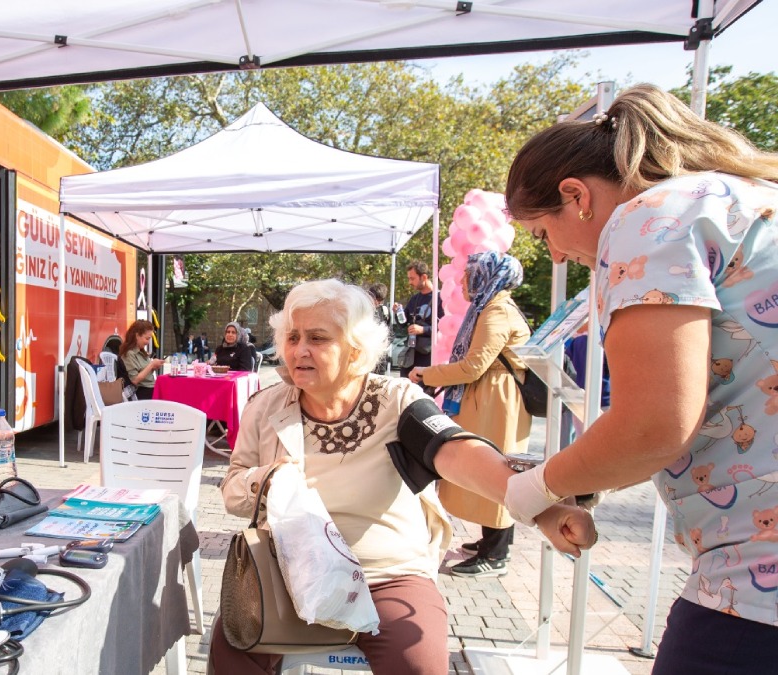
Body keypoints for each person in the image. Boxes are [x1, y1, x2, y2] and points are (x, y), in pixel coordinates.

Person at [501, 84, 778, 674]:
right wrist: (588, 474)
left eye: (541, 233)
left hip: (756, 586)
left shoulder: (646, 218)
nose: (552, 257)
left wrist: (537, 486)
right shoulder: (750, 202)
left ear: (575, 196)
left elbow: (652, 424)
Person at [211, 279, 595, 675]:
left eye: (318, 338)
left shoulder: (397, 400)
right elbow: (232, 489)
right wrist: (267, 480)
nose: (299, 350)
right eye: (292, 337)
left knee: (418, 665)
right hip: (290, 574)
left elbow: (455, 450)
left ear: (355, 351)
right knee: (232, 643)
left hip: (387, 577)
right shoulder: (266, 406)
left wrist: (541, 507)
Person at [409, 251, 531, 577]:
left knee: (496, 469)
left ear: (484, 276)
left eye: (468, 275)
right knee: (486, 469)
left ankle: (496, 553)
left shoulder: (496, 311)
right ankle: (490, 540)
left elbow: (473, 366)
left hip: (496, 404)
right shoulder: (490, 307)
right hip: (489, 401)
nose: (462, 281)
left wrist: (427, 375)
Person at [396, 260, 443, 381]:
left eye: (412, 278)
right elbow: (403, 324)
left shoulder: (440, 299)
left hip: (429, 356)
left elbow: (444, 329)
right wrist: (398, 313)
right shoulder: (414, 299)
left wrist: (423, 330)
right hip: (411, 354)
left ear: (424, 277)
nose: (410, 282)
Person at [119, 319, 163, 400]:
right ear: (137, 335)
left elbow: (144, 371)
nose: (148, 342)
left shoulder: (141, 352)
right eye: (147, 338)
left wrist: (154, 366)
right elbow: (135, 380)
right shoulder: (129, 354)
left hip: (151, 387)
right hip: (142, 391)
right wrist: (151, 365)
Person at [368, 283, 392, 375]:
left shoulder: (384, 311)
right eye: (374, 299)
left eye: (380, 300)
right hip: (365, 356)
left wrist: (383, 345)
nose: (376, 302)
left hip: (379, 358)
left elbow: (390, 333)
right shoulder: (361, 309)